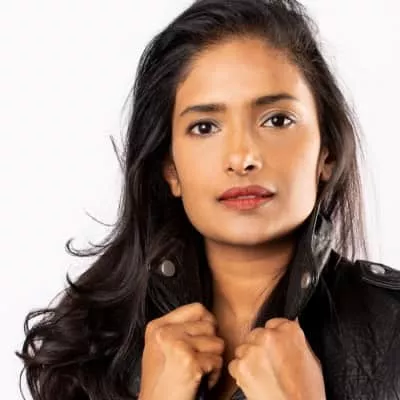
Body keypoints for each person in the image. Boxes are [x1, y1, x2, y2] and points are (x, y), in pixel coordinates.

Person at [17, 0, 400, 399]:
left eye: (277, 120)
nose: (242, 158)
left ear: (327, 153)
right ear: (170, 168)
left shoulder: (392, 326)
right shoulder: (92, 343)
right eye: (205, 127)